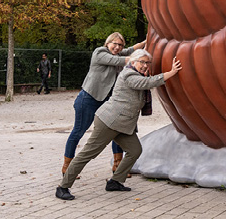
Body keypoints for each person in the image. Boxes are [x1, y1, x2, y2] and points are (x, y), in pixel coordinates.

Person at [55, 50, 182, 200]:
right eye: (142, 62)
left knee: (135, 150)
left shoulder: (139, 74)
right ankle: (63, 187)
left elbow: (146, 82)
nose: (145, 65)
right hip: (109, 121)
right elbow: (147, 83)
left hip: (123, 124)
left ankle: (115, 181)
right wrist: (172, 72)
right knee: (88, 154)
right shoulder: (129, 74)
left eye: (147, 62)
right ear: (133, 62)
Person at [61, 33, 145, 176]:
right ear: (107, 43)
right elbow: (120, 60)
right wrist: (142, 59)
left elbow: (131, 49)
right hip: (89, 98)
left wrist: (149, 38)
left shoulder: (118, 52)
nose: (117, 47)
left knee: (117, 129)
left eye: (120, 45)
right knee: (78, 131)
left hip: (107, 101)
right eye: (115, 44)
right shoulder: (100, 52)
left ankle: (117, 164)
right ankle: (67, 165)